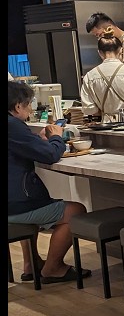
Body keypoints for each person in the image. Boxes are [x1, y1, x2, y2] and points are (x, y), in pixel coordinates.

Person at [8, 81, 92, 284]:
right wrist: (56, 137)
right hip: (15, 204)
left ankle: (31, 264)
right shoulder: (12, 125)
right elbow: (51, 155)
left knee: (37, 208)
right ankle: (53, 268)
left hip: (12, 201)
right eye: (29, 105)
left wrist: (37, 141)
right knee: (75, 211)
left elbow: (22, 148)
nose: (30, 110)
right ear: (18, 106)